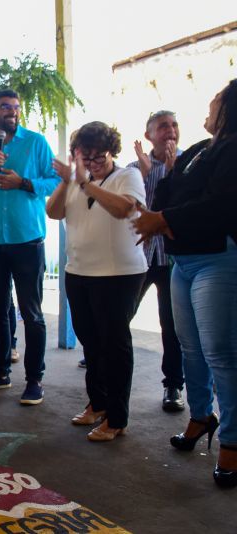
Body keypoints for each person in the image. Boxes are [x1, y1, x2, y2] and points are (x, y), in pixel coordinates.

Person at [133, 79, 237, 488]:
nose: (206, 110)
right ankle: (200, 416)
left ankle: (231, 440)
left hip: (217, 259)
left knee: (221, 354)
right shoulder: (198, 151)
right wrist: (165, 216)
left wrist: (167, 220)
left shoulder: (233, 149)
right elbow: (167, 189)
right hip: (183, 262)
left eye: (214, 103)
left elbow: (221, 204)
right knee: (190, 347)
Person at [48, 122, 147, 441]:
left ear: (111, 152)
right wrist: (67, 183)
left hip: (119, 274)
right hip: (79, 272)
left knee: (114, 344)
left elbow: (124, 209)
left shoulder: (126, 176)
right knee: (90, 341)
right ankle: (99, 403)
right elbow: (53, 212)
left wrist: (85, 182)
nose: (90, 163)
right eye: (83, 157)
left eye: (97, 157)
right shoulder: (76, 180)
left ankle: (117, 418)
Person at [0, 88, 60, 405]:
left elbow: (55, 182)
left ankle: (34, 380)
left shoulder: (36, 143)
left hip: (27, 240)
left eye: (16, 107)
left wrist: (24, 183)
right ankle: (1, 373)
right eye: (5, 107)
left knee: (32, 313)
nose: (12, 112)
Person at [129, 110, 185, 412]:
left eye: (174, 125)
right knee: (122, 314)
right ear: (149, 135)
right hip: (139, 256)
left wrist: (176, 171)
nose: (171, 131)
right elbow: (128, 208)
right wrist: (143, 170)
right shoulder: (133, 168)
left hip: (172, 257)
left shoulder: (191, 164)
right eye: (163, 127)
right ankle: (104, 364)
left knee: (171, 325)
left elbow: (187, 207)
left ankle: (173, 385)